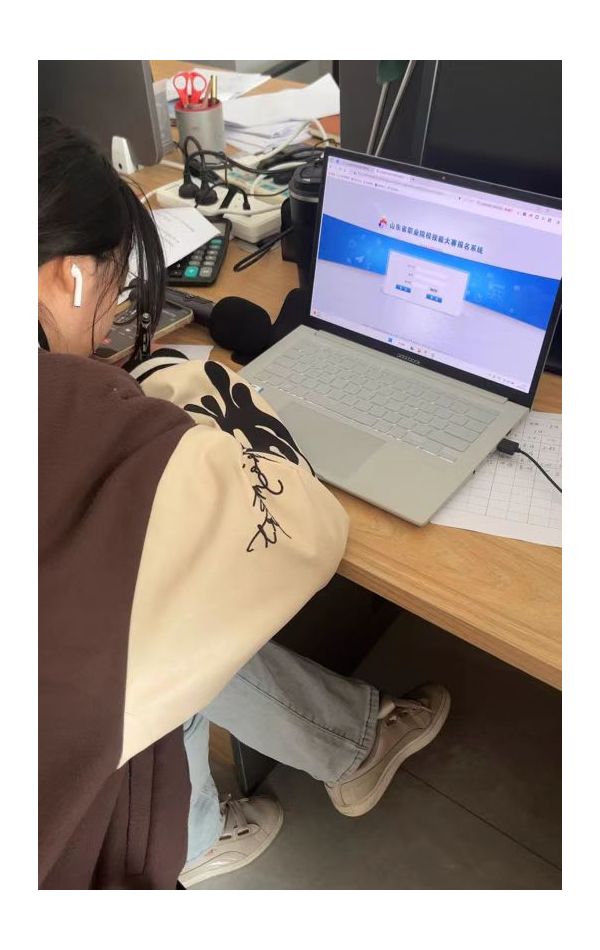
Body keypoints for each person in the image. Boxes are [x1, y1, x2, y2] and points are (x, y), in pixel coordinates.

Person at [38, 116, 450, 890]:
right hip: (65, 853)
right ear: (71, 276)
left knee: (158, 591)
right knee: (178, 596)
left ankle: (351, 742)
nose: (112, 316)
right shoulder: (75, 419)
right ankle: (196, 837)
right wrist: (175, 379)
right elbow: (306, 532)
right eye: (118, 284)